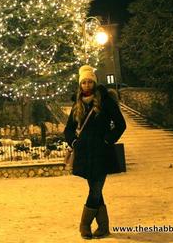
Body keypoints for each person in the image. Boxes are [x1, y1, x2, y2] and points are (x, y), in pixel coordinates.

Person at [64, 65, 126, 239]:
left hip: (101, 153)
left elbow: (121, 124)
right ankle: (104, 227)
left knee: (96, 189)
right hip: (85, 154)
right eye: (83, 82)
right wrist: (74, 141)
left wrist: (107, 139)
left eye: (89, 81)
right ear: (80, 84)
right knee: (95, 189)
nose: (87, 85)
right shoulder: (77, 104)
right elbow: (68, 129)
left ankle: (84, 225)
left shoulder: (106, 101)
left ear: (94, 82)